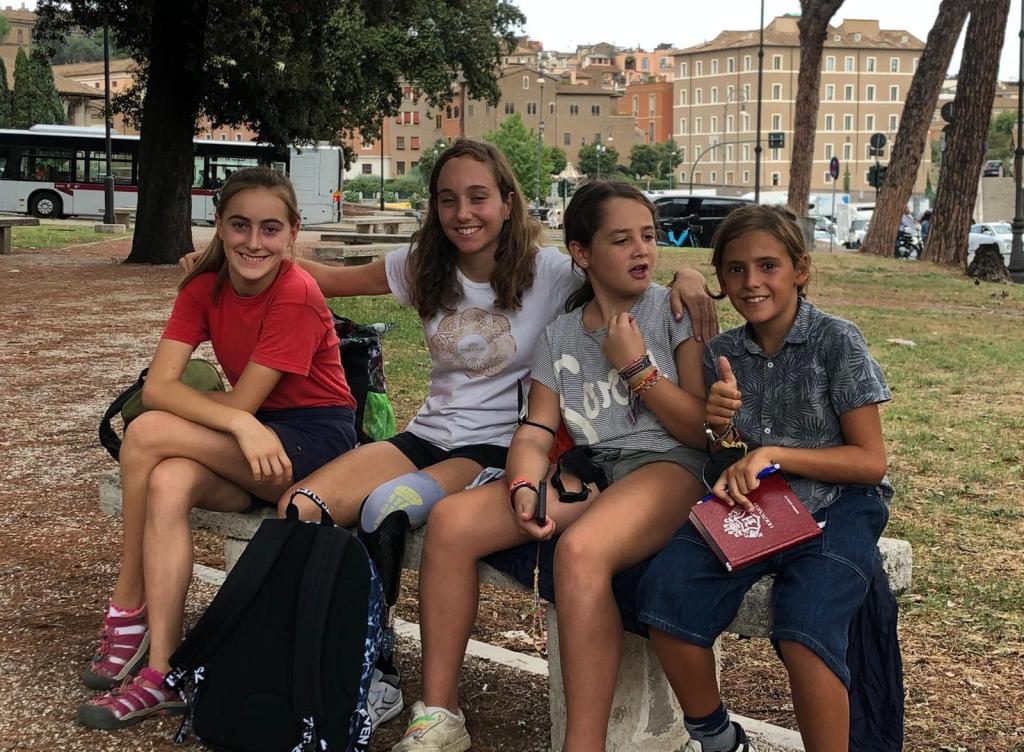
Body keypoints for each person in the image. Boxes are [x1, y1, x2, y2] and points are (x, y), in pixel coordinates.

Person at [178, 140, 716, 729]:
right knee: (301, 506)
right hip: (427, 434)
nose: (464, 213)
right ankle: (329, 664)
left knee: (387, 508)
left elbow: (622, 262)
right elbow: (326, 279)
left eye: (479, 197)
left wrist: (689, 274)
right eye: (447, 199)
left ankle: (382, 677)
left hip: (494, 446)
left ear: (507, 202)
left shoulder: (551, 272)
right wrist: (224, 260)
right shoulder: (422, 265)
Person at [390, 180, 709, 752]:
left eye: (649, 236)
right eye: (621, 240)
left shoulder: (671, 310)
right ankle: (440, 713)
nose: (642, 250)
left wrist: (637, 368)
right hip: (594, 471)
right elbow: (537, 429)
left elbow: (700, 430)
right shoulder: (561, 334)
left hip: (670, 466)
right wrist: (521, 482)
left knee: (581, 551)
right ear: (581, 253)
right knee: (452, 522)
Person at [78, 167, 358, 730]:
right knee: (168, 479)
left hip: (315, 445)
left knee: (148, 432)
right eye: (239, 225)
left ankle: (127, 603)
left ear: (293, 233)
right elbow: (158, 386)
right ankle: (163, 673)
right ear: (219, 225)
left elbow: (223, 402)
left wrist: (243, 421)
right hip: (247, 437)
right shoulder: (203, 288)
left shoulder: (297, 293)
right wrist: (241, 425)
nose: (254, 242)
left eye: (270, 229)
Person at [638, 204, 892, 752]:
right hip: (754, 503)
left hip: (838, 504)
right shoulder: (722, 354)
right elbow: (724, 452)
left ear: (800, 269)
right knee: (664, 593)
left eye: (768, 266)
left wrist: (774, 454)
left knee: (805, 628)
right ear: (722, 280)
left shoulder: (836, 340)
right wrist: (719, 428)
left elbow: (871, 462)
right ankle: (717, 737)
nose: (752, 282)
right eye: (736, 270)